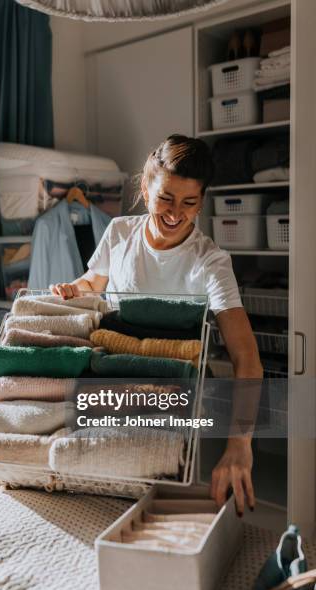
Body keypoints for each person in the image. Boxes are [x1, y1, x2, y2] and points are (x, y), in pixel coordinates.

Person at [51, 134, 263, 515]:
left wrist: (239, 446)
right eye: (166, 197)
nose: (175, 212)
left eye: (189, 203)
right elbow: (92, 284)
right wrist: (73, 289)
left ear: (201, 203)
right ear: (146, 189)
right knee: (95, 501)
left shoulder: (211, 263)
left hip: (171, 400)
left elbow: (246, 358)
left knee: (154, 505)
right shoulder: (119, 233)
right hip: (110, 389)